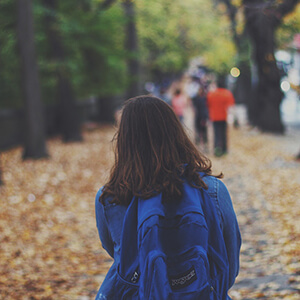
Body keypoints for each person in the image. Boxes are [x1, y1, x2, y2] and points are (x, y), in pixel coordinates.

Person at [95, 95, 241, 299]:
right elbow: (229, 264)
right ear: (176, 133)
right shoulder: (212, 190)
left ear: (125, 140)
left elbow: (120, 255)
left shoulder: (110, 197)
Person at [207, 77, 235, 157]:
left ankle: (216, 149)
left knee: (216, 133)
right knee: (224, 134)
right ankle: (224, 149)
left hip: (214, 116)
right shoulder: (227, 93)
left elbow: (208, 104)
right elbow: (230, 106)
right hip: (224, 116)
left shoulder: (212, 94)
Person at [192, 86, 209, 151]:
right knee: (198, 131)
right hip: (198, 117)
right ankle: (199, 144)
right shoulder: (197, 99)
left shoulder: (204, 99)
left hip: (202, 117)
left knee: (203, 132)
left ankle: (204, 145)